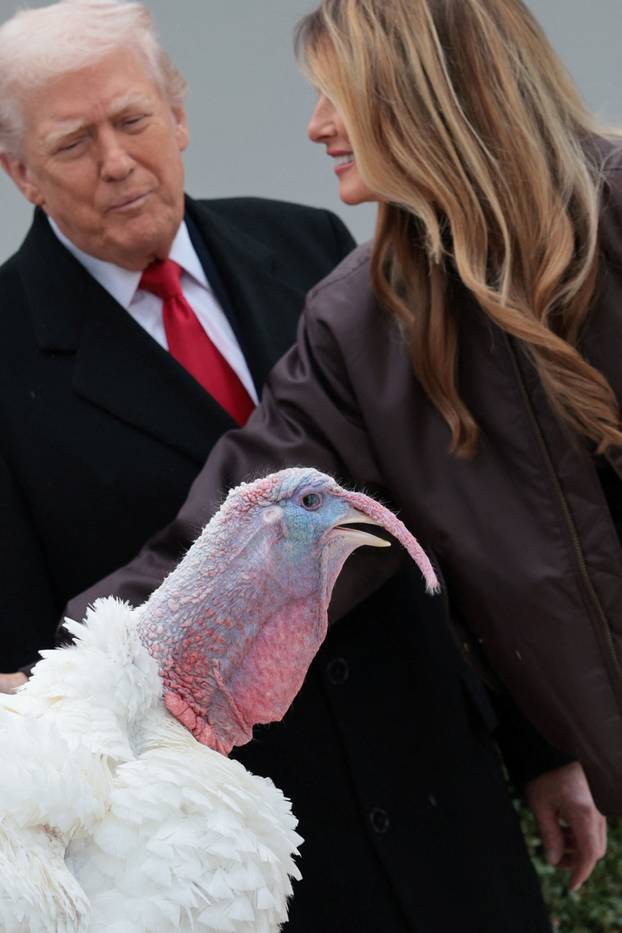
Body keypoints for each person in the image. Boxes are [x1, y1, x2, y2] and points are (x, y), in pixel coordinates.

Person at [0, 2, 606, 930]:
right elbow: (254, 523)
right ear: (20, 171)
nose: (316, 125)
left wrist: (539, 744)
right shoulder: (366, 310)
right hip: (266, 857)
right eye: (76, 141)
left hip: (441, 809)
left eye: (131, 121)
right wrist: (63, 689)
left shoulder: (314, 249)